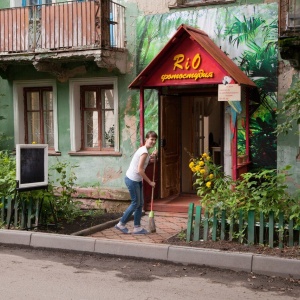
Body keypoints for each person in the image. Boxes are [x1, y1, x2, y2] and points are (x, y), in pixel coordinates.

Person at [115, 131, 158, 234]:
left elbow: (143, 163)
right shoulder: (144, 152)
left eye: (155, 140)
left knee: (140, 204)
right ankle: (121, 224)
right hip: (132, 180)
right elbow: (140, 169)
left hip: (136, 180)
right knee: (135, 203)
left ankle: (137, 227)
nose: (153, 142)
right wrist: (150, 182)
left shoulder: (145, 151)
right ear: (146, 139)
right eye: (151, 139)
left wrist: (152, 156)